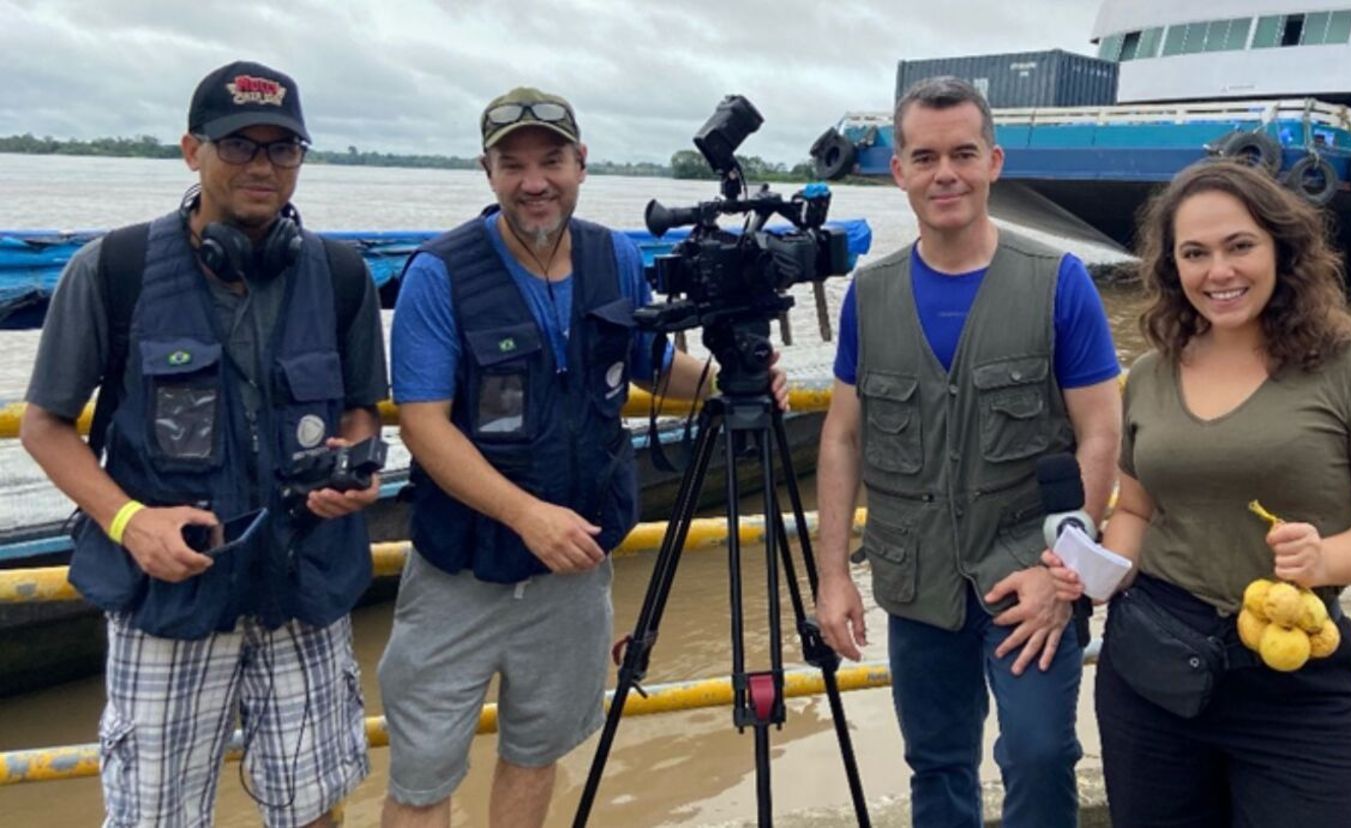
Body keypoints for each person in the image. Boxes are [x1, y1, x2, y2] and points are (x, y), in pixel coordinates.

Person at [377, 87, 785, 828]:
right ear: (487, 171)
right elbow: (424, 426)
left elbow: (649, 363)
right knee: (422, 773)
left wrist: (736, 380)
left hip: (574, 567)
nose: (535, 181)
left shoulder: (614, 256)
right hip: (459, 571)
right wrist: (526, 515)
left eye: (552, 160)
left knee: (537, 753)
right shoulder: (439, 274)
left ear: (582, 164)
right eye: (514, 164)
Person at [19, 61, 386, 827]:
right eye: (239, 146)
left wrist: (355, 468)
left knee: (316, 806)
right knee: (153, 815)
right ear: (193, 150)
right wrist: (129, 523)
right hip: (169, 598)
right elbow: (44, 426)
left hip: (303, 594)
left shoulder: (342, 274)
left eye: (282, 149)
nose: (263, 166)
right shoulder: (113, 270)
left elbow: (361, 413)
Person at [1048, 160, 1351, 827]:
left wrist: (1327, 561)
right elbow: (1139, 510)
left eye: (1239, 246)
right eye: (1194, 254)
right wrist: (1094, 571)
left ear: (1281, 249)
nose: (1218, 272)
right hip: (1154, 671)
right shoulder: (1150, 374)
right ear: (1172, 268)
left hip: (1296, 673)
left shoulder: (1349, 367)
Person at [813, 76, 1123, 828]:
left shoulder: (1059, 283)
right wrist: (830, 578)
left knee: (1041, 753)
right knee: (938, 761)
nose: (943, 173)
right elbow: (843, 435)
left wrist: (1064, 573)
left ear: (994, 162)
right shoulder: (870, 292)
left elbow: (1103, 431)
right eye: (924, 157)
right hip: (917, 577)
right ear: (898, 172)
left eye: (962, 153)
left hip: (1028, 570)